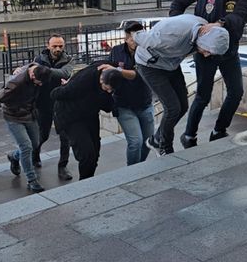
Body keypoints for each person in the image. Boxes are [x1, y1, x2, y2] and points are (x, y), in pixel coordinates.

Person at [169, 0, 247, 149]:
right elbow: (178, 3)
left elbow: (240, 17)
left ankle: (219, 130)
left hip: (229, 51)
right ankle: (189, 135)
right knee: (202, 96)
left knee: (236, 91)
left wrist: (220, 23)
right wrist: (187, 35)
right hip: (204, 53)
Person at [134, 14, 230, 156]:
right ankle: (164, 146)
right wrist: (133, 32)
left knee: (183, 106)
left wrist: (219, 23)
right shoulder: (171, 38)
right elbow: (141, 37)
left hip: (171, 64)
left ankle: (156, 139)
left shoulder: (204, 29)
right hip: (150, 66)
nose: (206, 55)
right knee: (172, 108)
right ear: (203, 41)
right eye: (208, 51)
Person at [98, 21, 155, 165]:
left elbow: (139, 75)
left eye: (139, 38)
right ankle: (131, 171)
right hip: (124, 105)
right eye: (132, 39)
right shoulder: (116, 51)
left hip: (145, 103)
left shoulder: (148, 51)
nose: (135, 42)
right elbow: (108, 72)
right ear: (126, 38)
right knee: (135, 141)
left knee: (148, 142)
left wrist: (117, 71)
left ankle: (139, 166)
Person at [49, 62, 118, 180]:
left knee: (95, 152)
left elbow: (107, 107)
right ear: (101, 79)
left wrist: (106, 94)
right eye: (106, 87)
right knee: (87, 153)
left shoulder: (109, 87)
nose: (108, 91)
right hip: (70, 116)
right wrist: (66, 86)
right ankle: (84, 183)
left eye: (110, 90)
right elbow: (55, 94)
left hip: (89, 115)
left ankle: (88, 179)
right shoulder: (84, 81)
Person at [0, 63, 51, 193]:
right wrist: (15, 102)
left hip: (30, 114)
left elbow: (34, 64)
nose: (40, 85)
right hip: (13, 116)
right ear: (32, 76)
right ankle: (32, 180)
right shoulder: (16, 83)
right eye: (38, 82)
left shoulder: (38, 70)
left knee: (35, 143)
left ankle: (14, 156)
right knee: (26, 147)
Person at [33, 34, 75, 181]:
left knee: (65, 137)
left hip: (61, 104)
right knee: (42, 135)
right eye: (54, 46)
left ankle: (62, 166)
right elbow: (32, 71)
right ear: (48, 46)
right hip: (43, 104)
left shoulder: (68, 59)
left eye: (60, 46)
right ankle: (35, 155)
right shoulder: (39, 59)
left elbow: (65, 72)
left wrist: (44, 71)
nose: (58, 49)